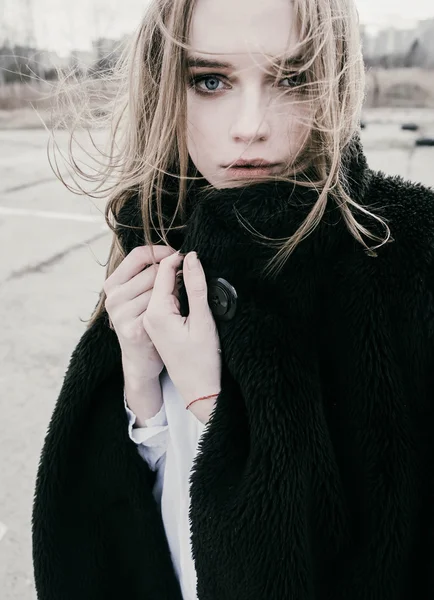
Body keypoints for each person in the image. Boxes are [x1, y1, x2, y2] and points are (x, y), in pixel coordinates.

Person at [32, 0, 434, 598]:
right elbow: (109, 544)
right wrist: (141, 393)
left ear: (338, 83)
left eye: (292, 79)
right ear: (167, 87)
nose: (250, 126)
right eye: (211, 81)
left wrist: (212, 404)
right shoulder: (157, 237)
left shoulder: (406, 252)